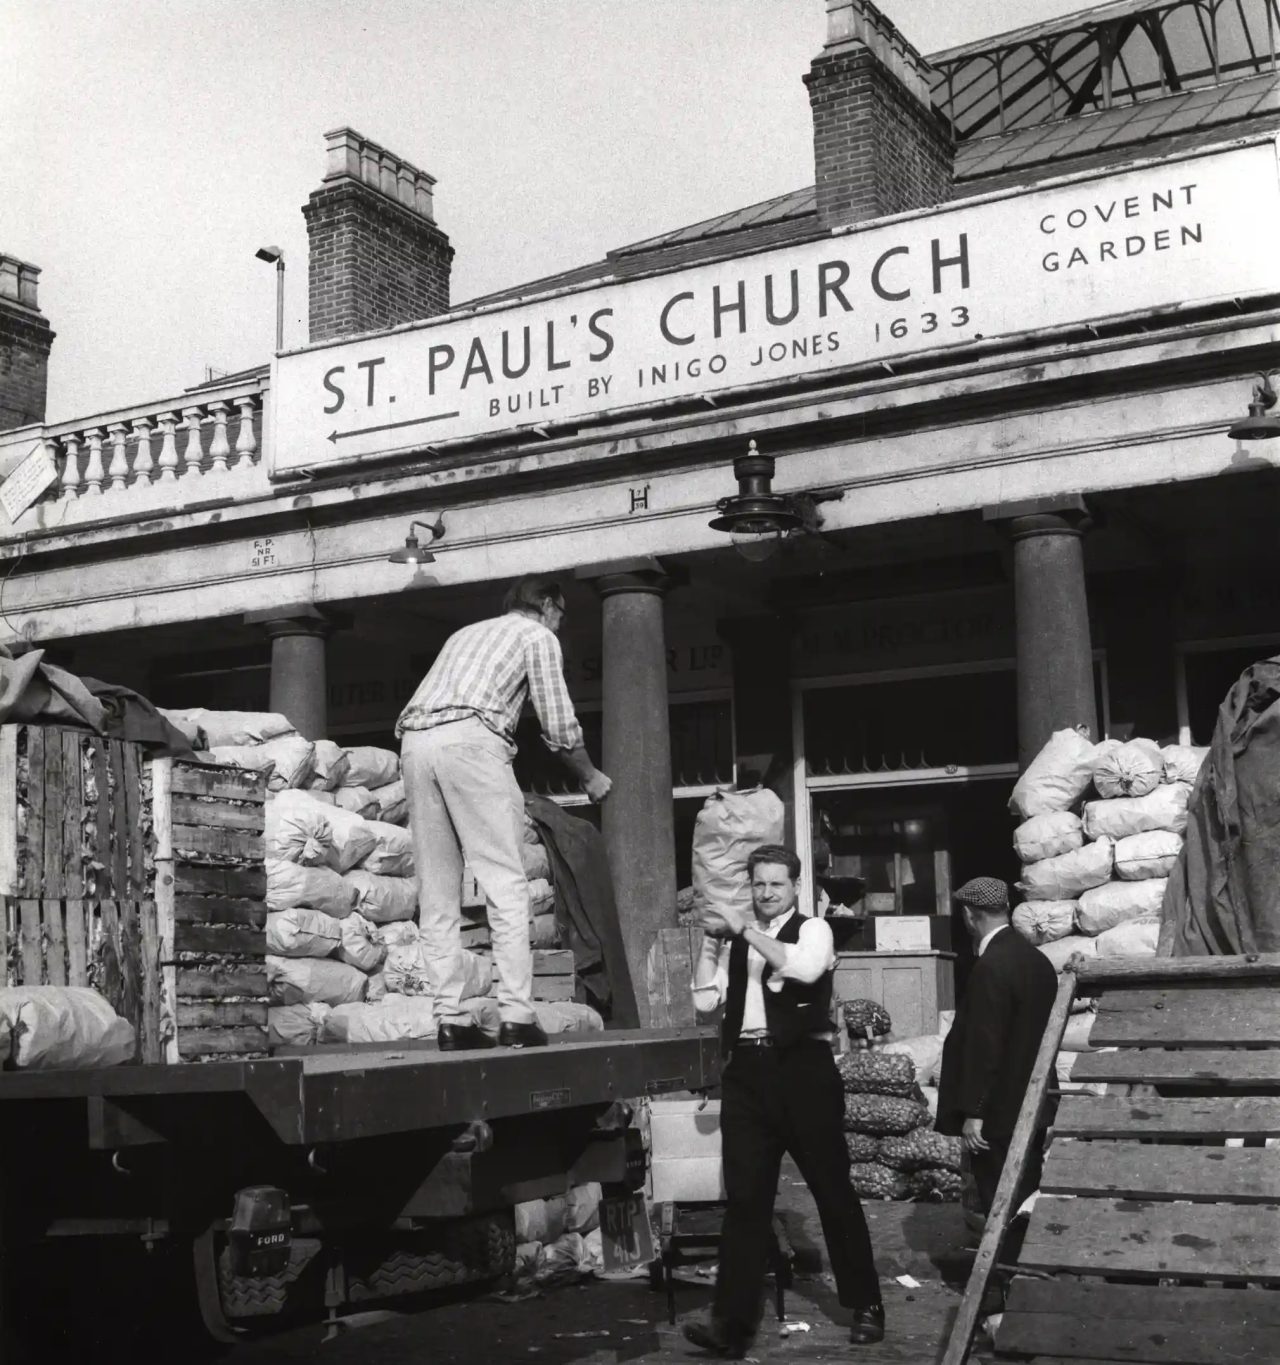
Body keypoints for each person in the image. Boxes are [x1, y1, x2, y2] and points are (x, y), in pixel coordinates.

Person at [396, 576, 611, 1051]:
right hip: (473, 740)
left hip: (415, 744)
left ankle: (449, 1019)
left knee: (436, 890)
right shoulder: (537, 636)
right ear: (550, 605)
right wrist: (590, 776)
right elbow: (558, 724)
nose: (562, 621)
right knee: (505, 882)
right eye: (562, 612)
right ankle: (516, 1015)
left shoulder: (465, 634)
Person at [685, 845, 883, 1358]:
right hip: (748, 1074)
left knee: (831, 1189)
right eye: (758, 884)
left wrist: (744, 931)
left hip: (804, 1072)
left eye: (776, 884)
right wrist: (711, 946)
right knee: (746, 1203)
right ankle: (731, 1327)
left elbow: (803, 971)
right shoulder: (739, 941)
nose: (766, 893)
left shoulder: (813, 929)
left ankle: (865, 1304)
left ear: (795, 887)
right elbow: (706, 1002)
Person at [936, 876, 1058, 1219]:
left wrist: (975, 1110)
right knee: (1026, 1193)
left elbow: (985, 1046)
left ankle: (1002, 1271)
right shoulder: (1038, 961)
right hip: (1032, 1103)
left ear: (969, 915)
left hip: (997, 1111)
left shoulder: (990, 966)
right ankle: (1022, 1266)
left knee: (999, 1201)